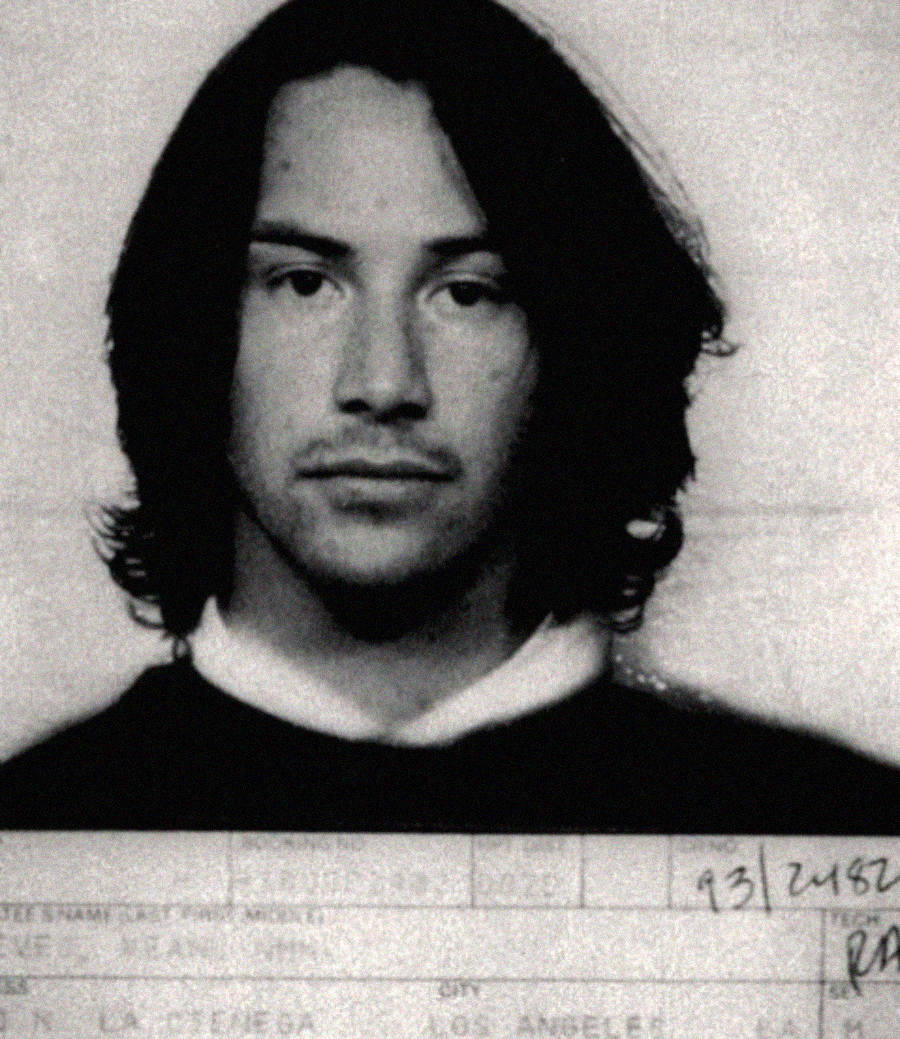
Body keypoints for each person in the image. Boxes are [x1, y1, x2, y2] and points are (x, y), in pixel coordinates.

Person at [1, 0, 898, 832]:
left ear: (583, 339)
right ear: (188, 322)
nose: (384, 382)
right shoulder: (32, 827)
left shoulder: (832, 828)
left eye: (468, 294)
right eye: (305, 283)